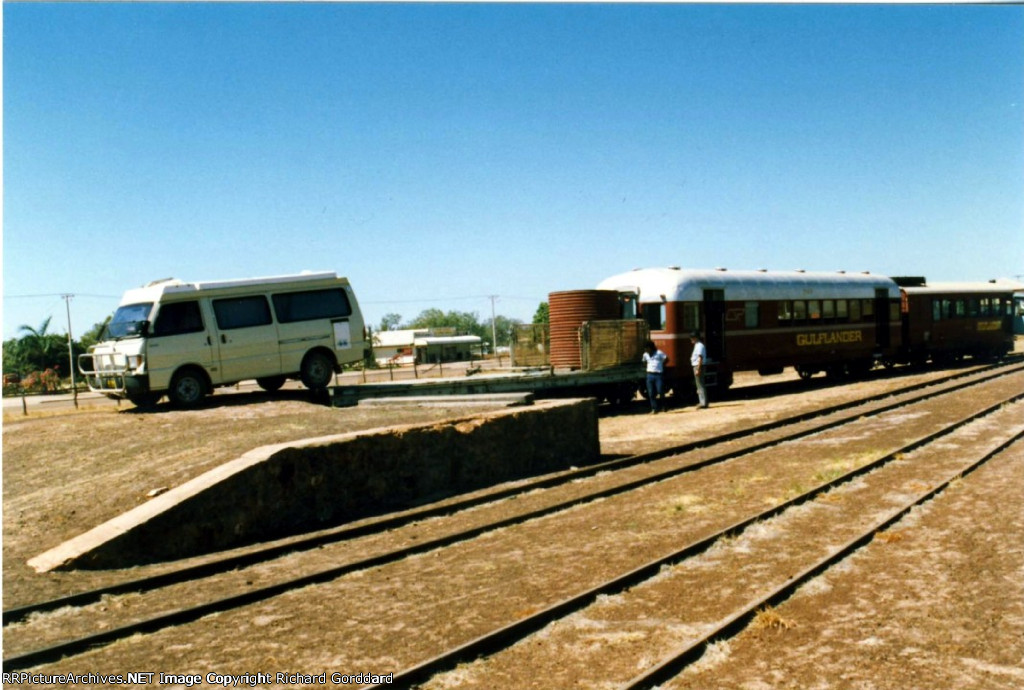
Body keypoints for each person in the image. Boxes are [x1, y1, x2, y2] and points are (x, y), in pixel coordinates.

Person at [642, 340, 668, 413]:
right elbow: (644, 361)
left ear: (650, 348)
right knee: (651, 393)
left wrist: (661, 366)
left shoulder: (659, 353)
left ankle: (664, 406)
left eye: (646, 348)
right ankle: (654, 408)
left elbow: (666, 359)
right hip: (649, 374)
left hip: (658, 375)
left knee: (660, 391)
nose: (645, 350)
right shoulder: (645, 355)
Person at [689, 331, 708, 409]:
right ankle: (703, 402)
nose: (691, 340)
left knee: (700, 385)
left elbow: (700, 358)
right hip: (696, 366)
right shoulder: (697, 345)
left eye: (692, 338)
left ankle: (703, 403)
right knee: (699, 385)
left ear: (695, 338)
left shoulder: (700, 346)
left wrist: (698, 369)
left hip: (698, 366)